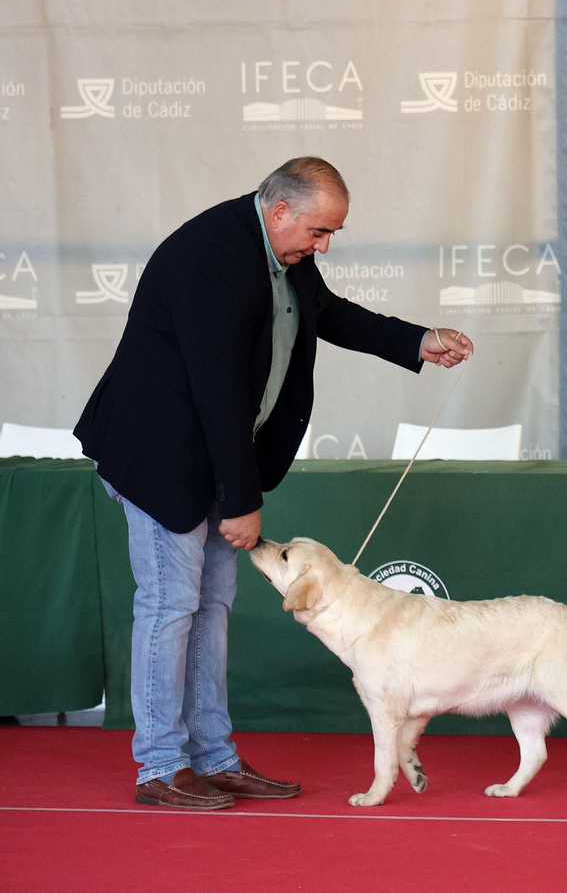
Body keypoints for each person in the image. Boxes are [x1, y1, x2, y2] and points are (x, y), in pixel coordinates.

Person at [74, 157, 474, 810]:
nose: (321, 248)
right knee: (172, 605)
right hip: (160, 457)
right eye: (318, 232)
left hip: (207, 452)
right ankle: (160, 767)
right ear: (279, 209)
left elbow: (327, 312)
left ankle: (213, 758)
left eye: (330, 237)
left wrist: (418, 340)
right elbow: (218, 394)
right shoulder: (214, 259)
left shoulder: (280, 251)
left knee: (211, 609)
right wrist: (242, 501)